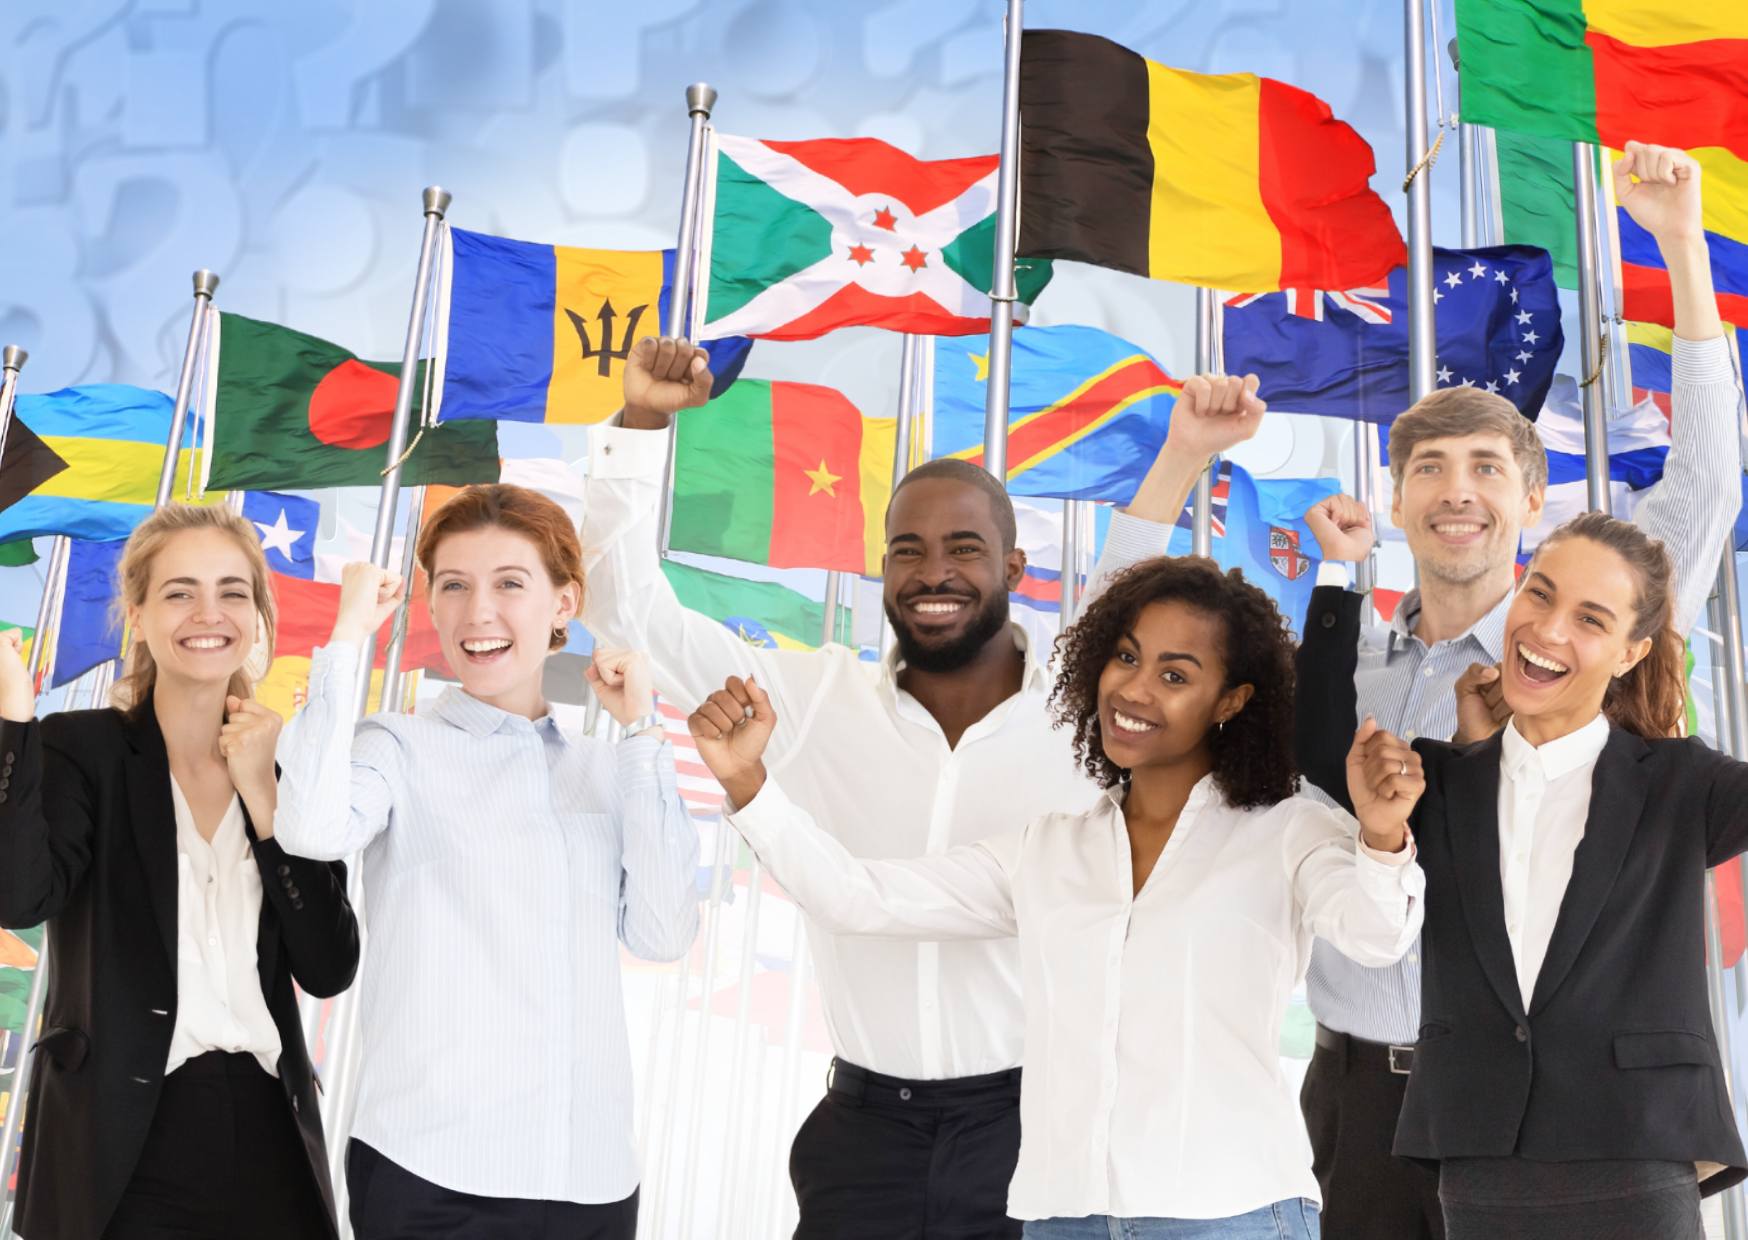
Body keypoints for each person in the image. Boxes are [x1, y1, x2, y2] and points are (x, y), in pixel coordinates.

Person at [580, 339, 1268, 1237]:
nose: (933, 571)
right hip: (864, 1137)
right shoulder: (807, 698)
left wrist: (1183, 452)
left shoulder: (1082, 696)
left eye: (964, 548)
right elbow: (624, 610)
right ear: (882, 570)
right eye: (907, 550)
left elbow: (1124, 579)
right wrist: (642, 424)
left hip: (1034, 1124)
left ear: (1015, 572)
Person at [1287, 140, 1744, 1240]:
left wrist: (1679, 248)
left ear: (1531, 495)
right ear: (1394, 497)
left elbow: (1704, 482)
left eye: (1487, 468)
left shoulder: (1589, 648)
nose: (1458, 494)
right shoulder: (1346, 667)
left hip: (1559, 1115)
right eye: (1429, 470)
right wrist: (1335, 580)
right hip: (1365, 1097)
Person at [687, 555, 1424, 1236]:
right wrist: (749, 784)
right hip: (1062, 1216)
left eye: (1175, 675)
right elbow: (858, 898)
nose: (1133, 689)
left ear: (1230, 699)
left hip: (1229, 1213)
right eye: (1127, 657)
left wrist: (1383, 836)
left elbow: (1375, 934)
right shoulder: (1048, 849)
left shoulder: (1288, 829)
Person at [271, 484, 698, 1240]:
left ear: (564, 603)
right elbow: (308, 828)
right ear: (429, 603)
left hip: (591, 1178)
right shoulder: (395, 747)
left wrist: (641, 734)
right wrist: (346, 638)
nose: (479, 614)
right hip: (431, 1171)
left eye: (510, 583)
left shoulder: (611, 769)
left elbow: (664, 933)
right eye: (455, 586)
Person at [1382, 511, 1748, 1237]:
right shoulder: (1437, 782)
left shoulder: (1680, 784)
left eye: (1590, 618)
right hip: (1481, 1159)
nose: (1548, 631)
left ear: (1629, 652)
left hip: (1635, 1155)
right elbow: (1315, 749)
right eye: (1539, 594)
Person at [0, 504, 359, 1240]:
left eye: (233, 591)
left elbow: (327, 966)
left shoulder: (290, 768)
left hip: (268, 1131)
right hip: (121, 1136)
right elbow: (19, 896)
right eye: (179, 591)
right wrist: (12, 723)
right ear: (137, 615)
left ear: (259, 617)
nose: (209, 612)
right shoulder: (82, 748)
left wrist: (264, 797)